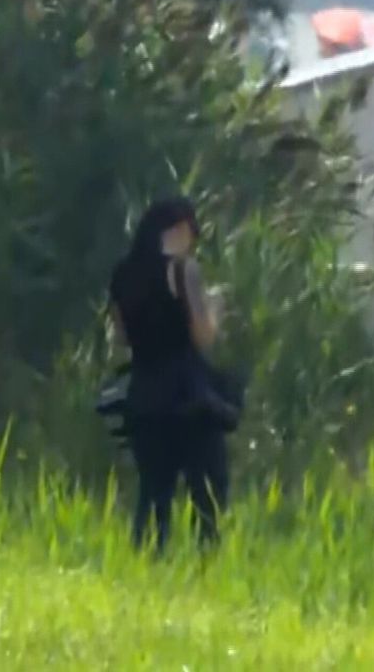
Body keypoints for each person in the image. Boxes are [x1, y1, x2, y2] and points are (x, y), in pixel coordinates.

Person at [108, 198, 231, 552]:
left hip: (144, 392)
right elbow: (202, 335)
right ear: (178, 229)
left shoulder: (123, 273)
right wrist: (215, 309)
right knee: (207, 489)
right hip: (188, 394)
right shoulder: (183, 270)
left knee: (153, 492)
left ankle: (147, 560)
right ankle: (206, 563)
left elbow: (121, 337)